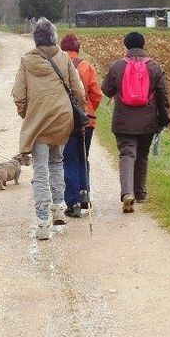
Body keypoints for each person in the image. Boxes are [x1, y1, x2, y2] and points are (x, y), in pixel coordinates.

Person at [11, 18, 86, 241]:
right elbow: (79, 90)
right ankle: (57, 208)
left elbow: (19, 95)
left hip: (38, 122)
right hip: (62, 120)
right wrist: (79, 112)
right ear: (54, 37)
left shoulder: (26, 61)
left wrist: (26, 113)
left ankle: (43, 221)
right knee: (57, 163)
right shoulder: (63, 58)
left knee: (41, 170)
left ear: (35, 39)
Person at [101, 31, 170, 213]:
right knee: (142, 156)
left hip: (123, 120)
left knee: (127, 155)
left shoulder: (117, 66)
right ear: (143, 45)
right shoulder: (154, 67)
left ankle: (127, 193)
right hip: (148, 121)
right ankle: (140, 193)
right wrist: (163, 120)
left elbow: (106, 89)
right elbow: (163, 97)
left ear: (126, 46)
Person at [59, 32, 102, 218]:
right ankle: (85, 194)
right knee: (83, 156)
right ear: (78, 48)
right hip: (87, 119)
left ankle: (73, 202)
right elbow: (97, 94)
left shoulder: (59, 66)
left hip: (66, 120)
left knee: (69, 159)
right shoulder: (86, 66)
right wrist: (89, 109)